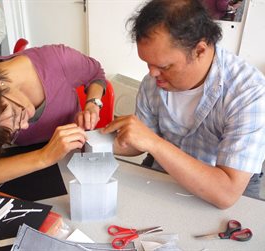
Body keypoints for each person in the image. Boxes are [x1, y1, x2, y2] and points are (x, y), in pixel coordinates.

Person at [102, 0, 265, 209]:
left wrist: (154, 143)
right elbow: (136, 143)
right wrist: (89, 140)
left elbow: (226, 193)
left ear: (199, 50)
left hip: (223, 194)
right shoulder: (152, 84)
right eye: (147, 63)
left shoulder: (248, 92)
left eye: (164, 66)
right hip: (166, 178)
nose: (152, 74)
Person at [0, 44, 106, 190]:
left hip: (75, 159)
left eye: (16, 114)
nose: (24, 127)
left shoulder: (58, 60)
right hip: (30, 165)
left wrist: (93, 103)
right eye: (7, 133)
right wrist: (43, 157)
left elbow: (96, 73)